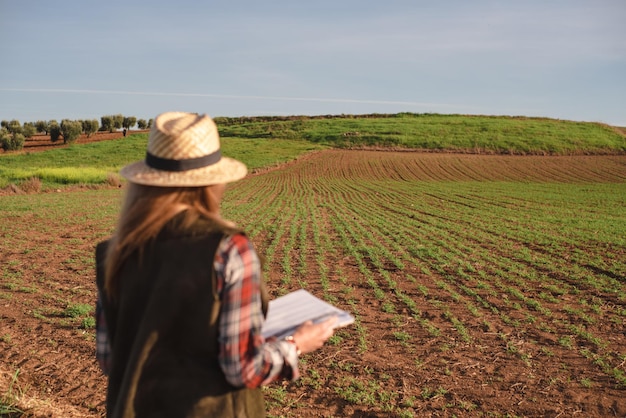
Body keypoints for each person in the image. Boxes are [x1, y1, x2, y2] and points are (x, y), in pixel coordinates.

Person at [95, 111, 337, 418]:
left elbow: (108, 359)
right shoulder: (229, 250)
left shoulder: (115, 253)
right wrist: (296, 343)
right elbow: (244, 369)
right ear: (212, 182)